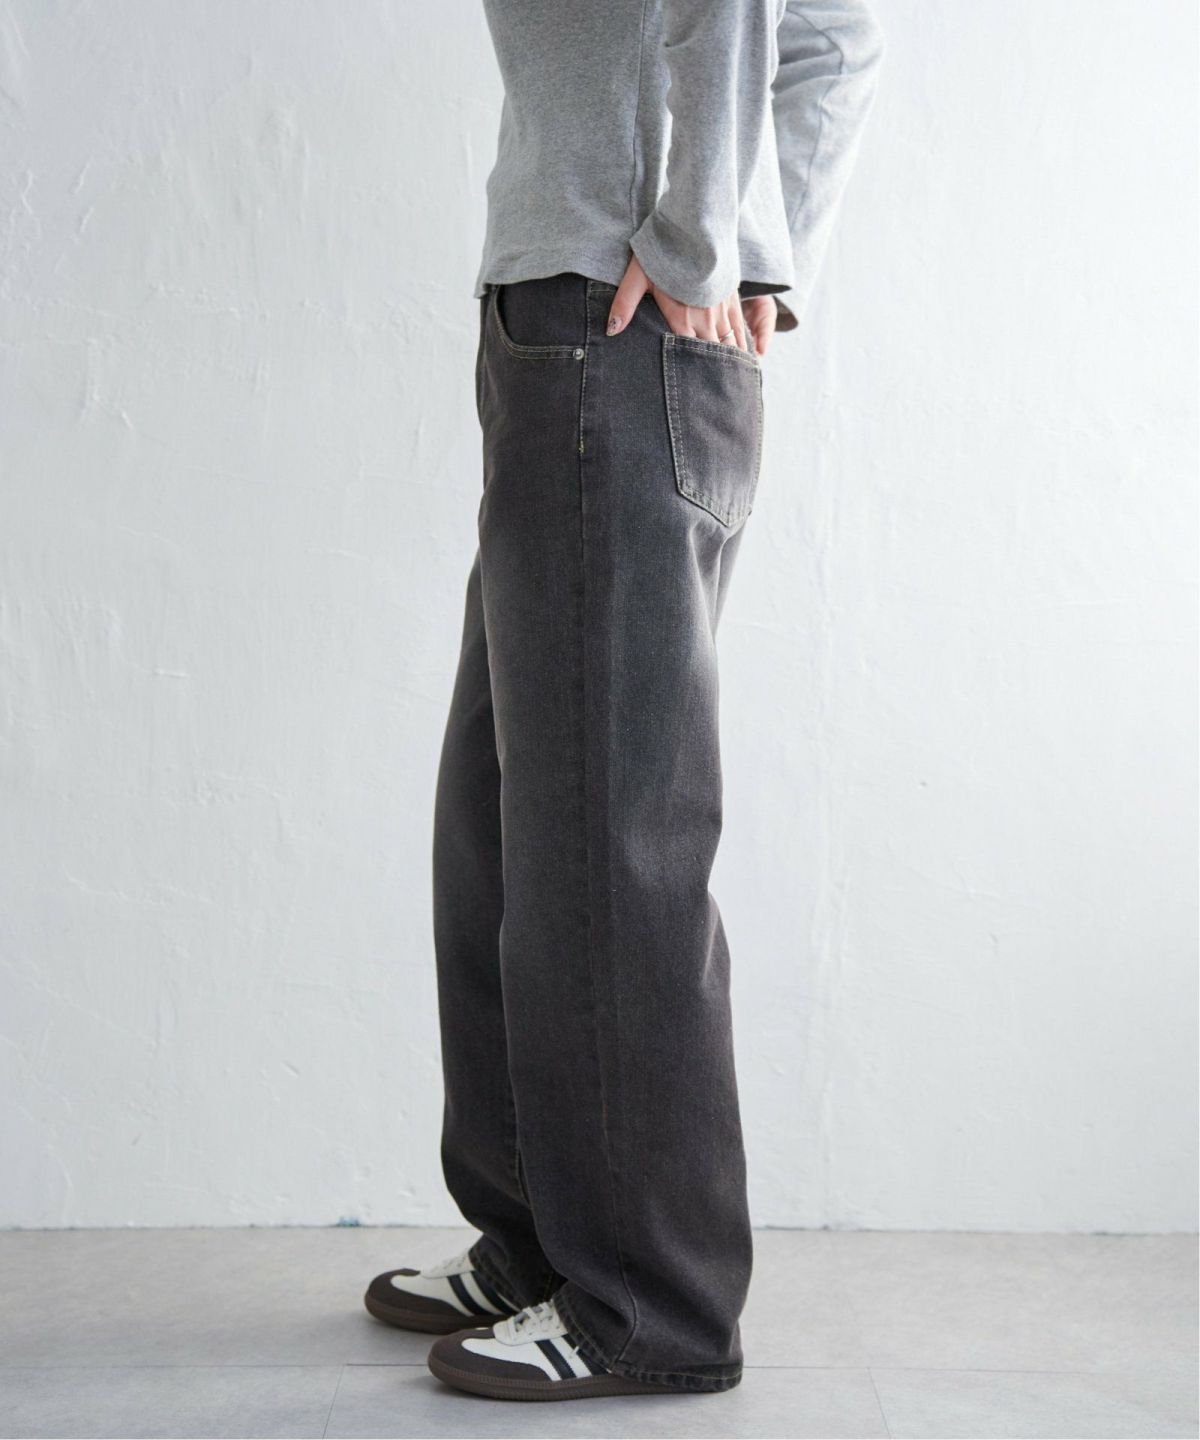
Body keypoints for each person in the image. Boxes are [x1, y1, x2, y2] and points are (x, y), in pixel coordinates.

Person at [364, 0, 884, 1404]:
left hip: (615, 318)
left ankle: (651, 1300)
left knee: (608, 835)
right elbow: (834, 31)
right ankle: (539, 1237)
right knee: (507, 814)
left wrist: (706, 242)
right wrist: (758, 249)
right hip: (582, 313)